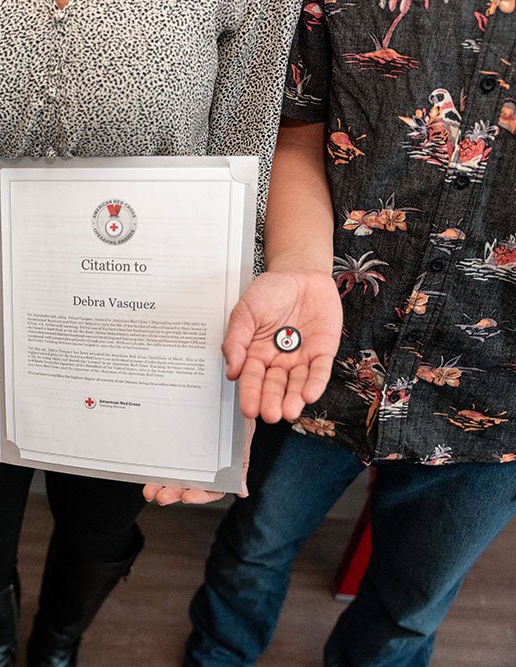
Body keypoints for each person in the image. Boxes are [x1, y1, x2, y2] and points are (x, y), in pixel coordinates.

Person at [0, 1, 302, 664]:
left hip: (145, 317)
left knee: (98, 521)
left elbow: (245, 154)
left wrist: (228, 388)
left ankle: (57, 642)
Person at [153, 1, 516, 664]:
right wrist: (298, 267)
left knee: (413, 599)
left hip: (497, 401)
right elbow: (299, 134)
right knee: (256, 540)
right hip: (323, 351)